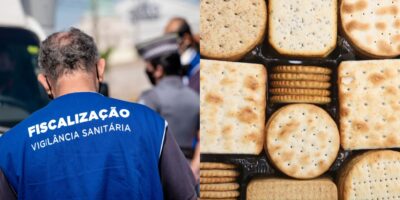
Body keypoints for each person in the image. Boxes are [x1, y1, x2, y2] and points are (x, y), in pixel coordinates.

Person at [0, 28, 196, 200]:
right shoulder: (149, 123)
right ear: (100, 69)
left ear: (44, 82)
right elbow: (185, 195)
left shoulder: (10, 147)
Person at [136, 34, 199, 180]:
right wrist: (193, 170)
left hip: (161, 174)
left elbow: (141, 141)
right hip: (189, 173)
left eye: (148, 66)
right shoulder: (195, 97)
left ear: (158, 70)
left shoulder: (150, 97)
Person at [164, 17, 200, 94]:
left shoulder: (199, 67)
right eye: (165, 38)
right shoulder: (173, 67)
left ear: (186, 39)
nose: (167, 43)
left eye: (171, 37)